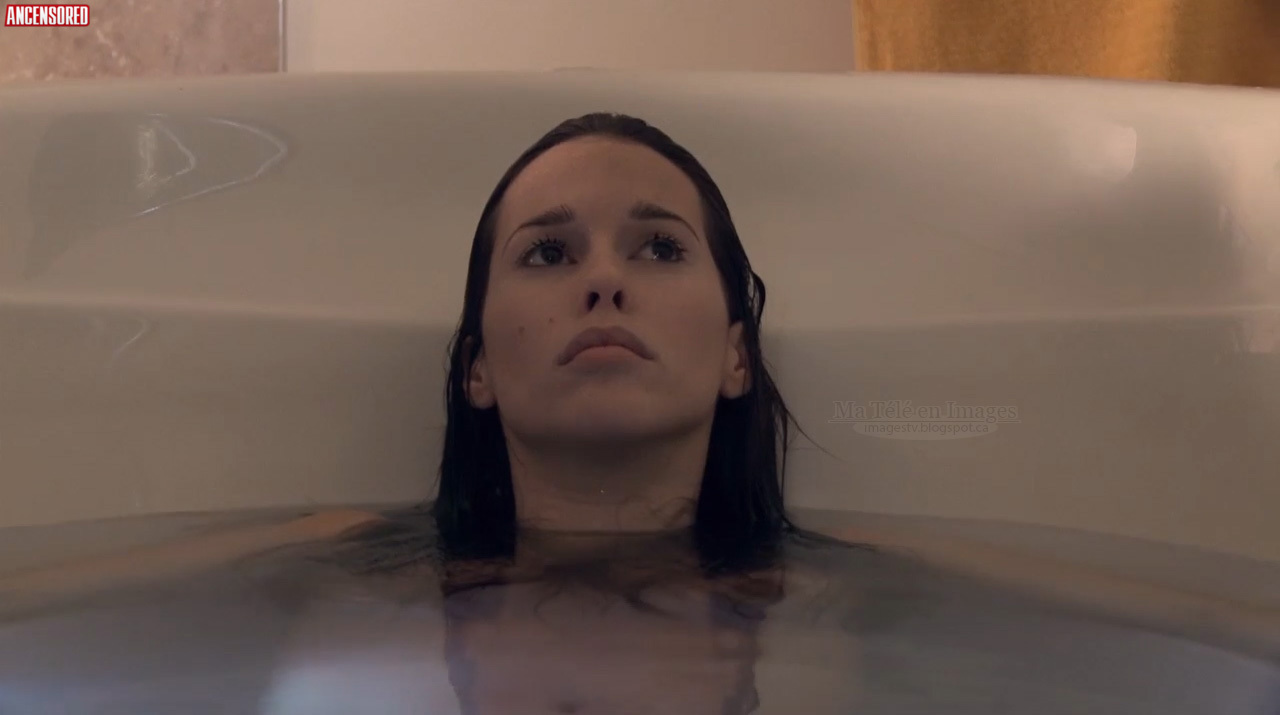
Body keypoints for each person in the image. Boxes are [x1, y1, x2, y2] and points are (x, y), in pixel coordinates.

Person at [3, 113, 1279, 713]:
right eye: (547, 254)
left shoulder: (858, 584)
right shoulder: (333, 550)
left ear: (733, 352)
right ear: (476, 367)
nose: (603, 277)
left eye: (658, 247)